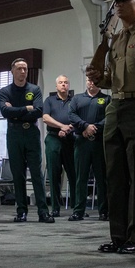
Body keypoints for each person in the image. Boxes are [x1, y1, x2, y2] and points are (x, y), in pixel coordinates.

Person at [88, 0, 135, 254]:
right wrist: (99, 73)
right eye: (116, 0)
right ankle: (118, 235)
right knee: (115, 175)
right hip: (115, 107)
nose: (118, 4)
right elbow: (109, 80)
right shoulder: (115, 40)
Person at [0, 58, 51, 223]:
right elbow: (5, 112)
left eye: (25, 69)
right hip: (14, 135)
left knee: (36, 173)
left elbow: (38, 111)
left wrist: (16, 111)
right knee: (18, 174)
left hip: (31, 134)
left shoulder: (34, 89)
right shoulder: (5, 91)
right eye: (19, 69)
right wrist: (26, 108)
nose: (23, 72)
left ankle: (43, 212)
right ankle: (21, 211)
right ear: (12, 71)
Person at [68, 75, 110, 221]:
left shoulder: (106, 99)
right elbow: (71, 115)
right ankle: (78, 210)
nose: (91, 82)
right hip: (82, 142)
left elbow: (110, 117)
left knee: (102, 178)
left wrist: (94, 128)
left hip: (99, 143)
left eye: (93, 80)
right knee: (81, 178)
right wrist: (85, 126)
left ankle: (104, 211)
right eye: (88, 80)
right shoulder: (77, 99)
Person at [43, 75, 76, 217]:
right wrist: (62, 126)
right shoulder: (49, 100)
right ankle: (55, 207)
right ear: (56, 86)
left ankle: (77, 208)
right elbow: (45, 118)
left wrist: (68, 128)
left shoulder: (74, 101)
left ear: (69, 85)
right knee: (54, 174)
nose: (63, 85)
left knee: (74, 174)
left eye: (66, 82)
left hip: (71, 139)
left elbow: (79, 117)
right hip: (53, 139)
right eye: (61, 83)